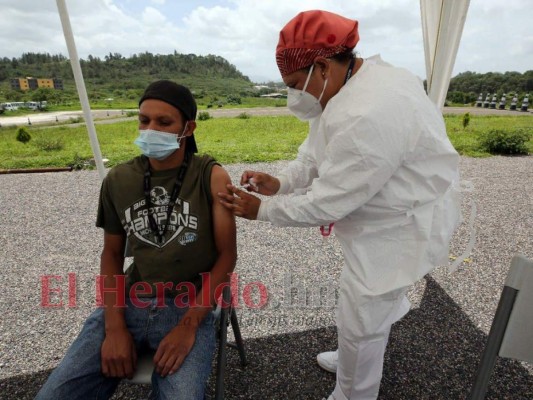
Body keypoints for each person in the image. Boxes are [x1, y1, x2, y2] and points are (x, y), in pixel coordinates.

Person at [218, 10, 461, 400]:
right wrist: (279, 183)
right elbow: (315, 157)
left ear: (321, 66)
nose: (293, 96)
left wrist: (260, 210)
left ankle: (353, 391)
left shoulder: (368, 111)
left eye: (295, 84)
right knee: (370, 306)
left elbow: (326, 204)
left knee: (362, 316)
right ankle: (358, 348)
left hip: (398, 229)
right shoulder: (342, 88)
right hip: (383, 211)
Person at [36, 80, 237, 400]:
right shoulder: (119, 179)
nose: (150, 129)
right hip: (130, 301)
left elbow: (227, 256)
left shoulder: (211, 176)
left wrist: (188, 326)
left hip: (188, 304)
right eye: (144, 120)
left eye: (164, 122)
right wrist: (114, 327)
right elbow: (112, 254)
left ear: (189, 127)